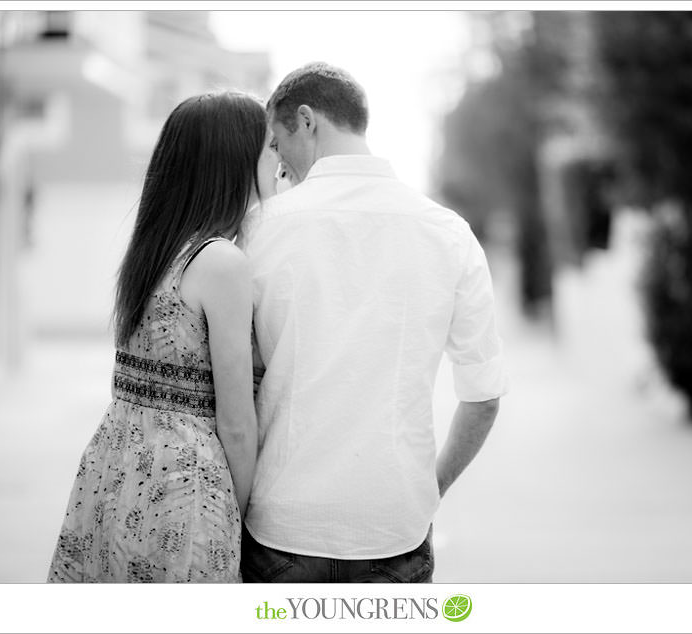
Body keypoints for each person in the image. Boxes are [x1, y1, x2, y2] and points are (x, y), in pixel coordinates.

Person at [237, 62, 508, 583]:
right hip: (395, 527)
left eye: (276, 143)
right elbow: (484, 395)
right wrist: (430, 489)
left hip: (284, 526)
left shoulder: (261, 229)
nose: (277, 163)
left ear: (307, 121)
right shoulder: (448, 234)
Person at [47, 90, 278, 582]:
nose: (277, 161)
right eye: (269, 148)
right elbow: (236, 423)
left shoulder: (155, 251)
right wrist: (240, 516)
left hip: (116, 467)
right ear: (235, 161)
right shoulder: (222, 262)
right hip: (183, 486)